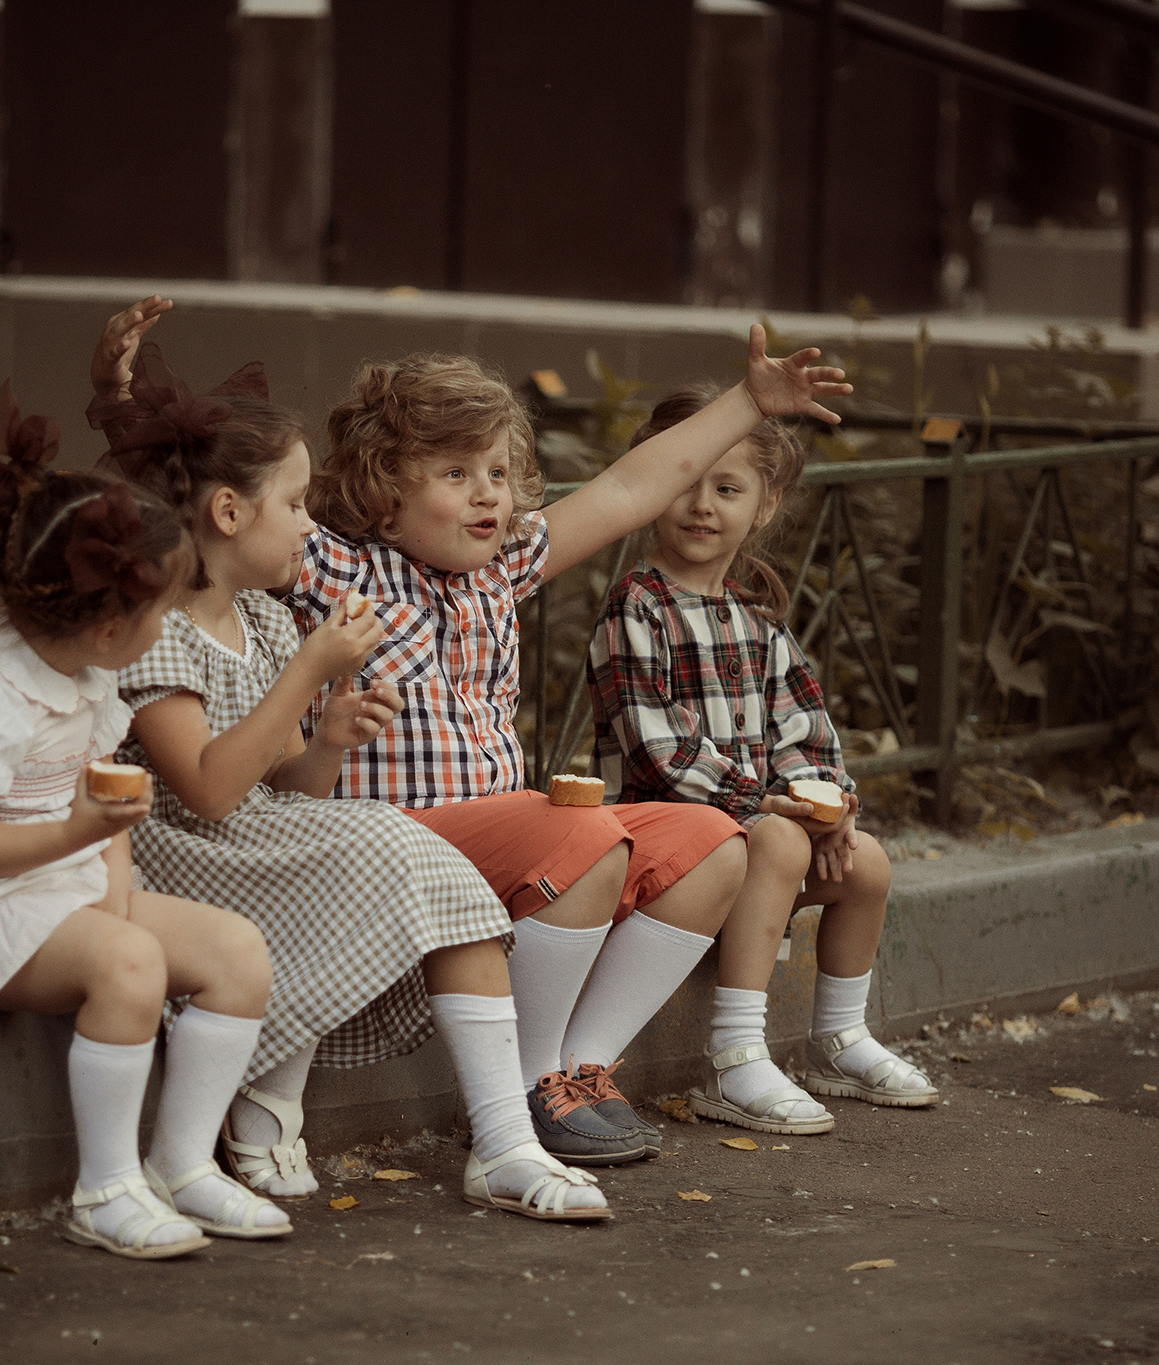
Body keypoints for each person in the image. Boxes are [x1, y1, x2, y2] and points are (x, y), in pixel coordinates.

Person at [273, 319, 847, 1165]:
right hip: (394, 841)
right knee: (581, 836)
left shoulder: (500, 565)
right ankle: (524, 1086)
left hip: (502, 837)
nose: (488, 495)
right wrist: (124, 408)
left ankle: (577, 1067)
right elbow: (224, 510)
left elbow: (627, 489)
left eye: (499, 473)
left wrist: (749, 403)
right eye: (457, 472)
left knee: (713, 844)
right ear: (383, 484)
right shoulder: (334, 568)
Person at [84, 326, 607, 1221]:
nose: (306, 519)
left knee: (415, 858)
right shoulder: (162, 632)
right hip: (180, 852)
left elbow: (291, 785)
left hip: (257, 835)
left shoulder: (267, 620)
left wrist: (325, 740)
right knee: (392, 852)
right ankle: (260, 1112)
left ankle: (505, 1142)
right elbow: (207, 794)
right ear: (226, 514)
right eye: (294, 503)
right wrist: (309, 676)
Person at [0, 384, 290, 1259]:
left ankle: (182, 1164)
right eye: (161, 615)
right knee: (128, 961)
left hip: (48, 877)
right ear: (111, 626)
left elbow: (97, 799)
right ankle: (105, 1186)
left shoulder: (84, 674)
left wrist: (110, 880)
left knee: (237, 951)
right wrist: (84, 842)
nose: (167, 628)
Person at [585, 384, 939, 1136]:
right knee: (777, 836)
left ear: (765, 504)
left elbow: (808, 736)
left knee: (867, 863)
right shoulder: (637, 607)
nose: (702, 505)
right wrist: (767, 807)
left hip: (751, 837)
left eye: (728, 487)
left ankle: (838, 1040)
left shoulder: (758, 621)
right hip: (665, 843)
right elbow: (660, 746)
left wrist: (832, 805)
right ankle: (733, 1055)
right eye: (685, 483)